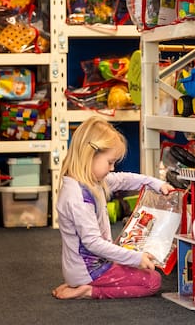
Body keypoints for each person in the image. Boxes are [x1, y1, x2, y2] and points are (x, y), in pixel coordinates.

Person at [52, 117, 174, 300]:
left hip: (87, 267)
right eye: (109, 162)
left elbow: (123, 179)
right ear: (89, 155)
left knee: (136, 258)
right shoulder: (78, 197)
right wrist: (135, 258)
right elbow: (93, 243)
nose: (112, 168)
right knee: (152, 282)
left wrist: (154, 183)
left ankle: (80, 284)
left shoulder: (90, 181)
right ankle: (88, 291)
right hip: (91, 271)